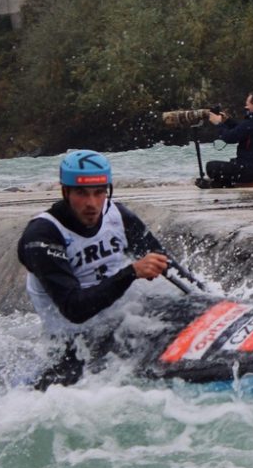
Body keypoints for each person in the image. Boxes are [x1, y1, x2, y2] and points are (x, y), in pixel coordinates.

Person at [16, 149, 169, 388]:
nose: (92, 204)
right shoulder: (42, 235)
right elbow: (75, 310)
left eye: (99, 193)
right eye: (81, 193)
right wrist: (131, 272)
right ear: (65, 191)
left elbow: (164, 262)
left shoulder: (118, 214)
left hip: (124, 320)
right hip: (75, 341)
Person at [198, 91, 253, 189]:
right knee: (232, 164)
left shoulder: (252, 123)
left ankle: (222, 184)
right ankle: (221, 183)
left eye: (247, 104)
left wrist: (218, 123)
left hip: (251, 171)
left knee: (211, 167)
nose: (246, 107)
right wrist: (227, 121)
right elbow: (242, 131)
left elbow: (229, 137)